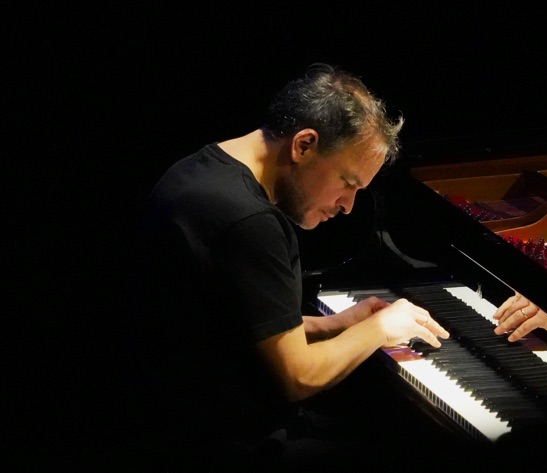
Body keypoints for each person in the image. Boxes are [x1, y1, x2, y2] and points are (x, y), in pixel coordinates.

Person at [119, 63, 451, 471]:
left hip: (175, 416)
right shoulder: (249, 221)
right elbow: (299, 378)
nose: (348, 206)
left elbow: (233, 325)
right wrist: (379, 328)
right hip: (222, 441)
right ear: (304, 145)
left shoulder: (198, 170)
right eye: (348, 183)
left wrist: (335, 325)